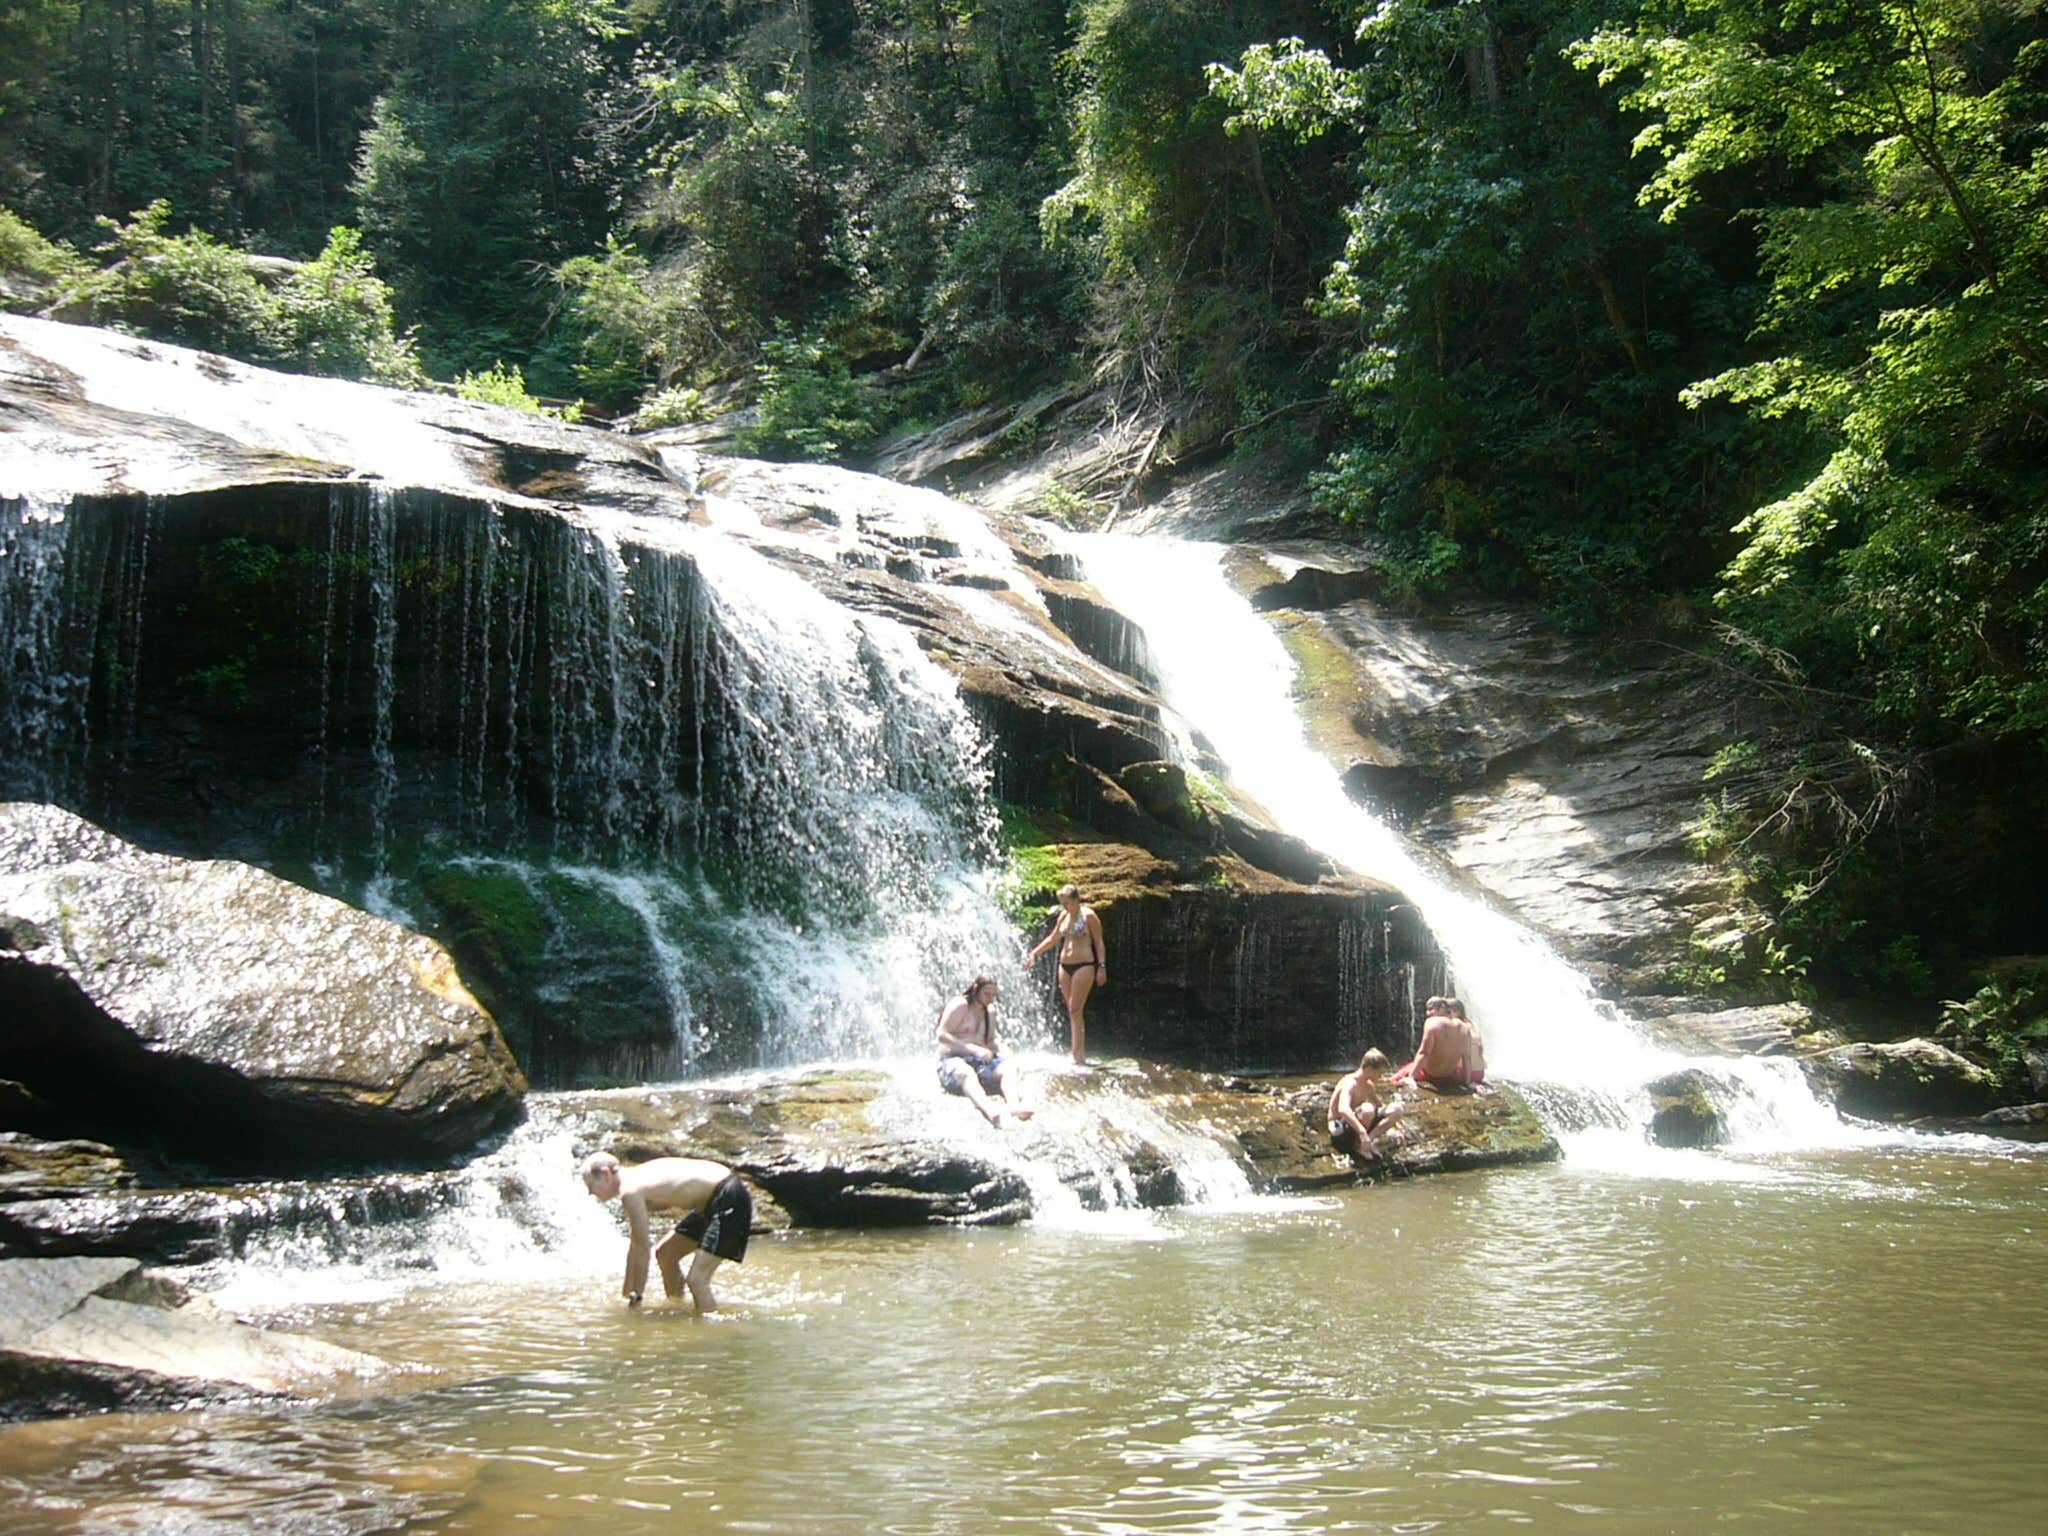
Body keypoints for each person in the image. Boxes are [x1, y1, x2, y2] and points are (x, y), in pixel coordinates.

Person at [580, 1151, 752, 1313]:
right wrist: (628, 1291)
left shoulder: (630, 1190)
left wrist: (636, 1298)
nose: (590, 1193)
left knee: (697, 1280)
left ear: (606, 1174)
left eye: (590, 1185)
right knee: (666, 1254)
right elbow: (635, 1245)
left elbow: (642, 1247)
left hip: (728, 1196)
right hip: (712, 1201)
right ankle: (678, 1307)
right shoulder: (634, 1179)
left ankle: (712, 1334)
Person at [936, 974, 1035, 1127]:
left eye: (993, 995)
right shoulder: (960, 1005)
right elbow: (941, 1035)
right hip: (952, 1059)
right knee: (965, 1072)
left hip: (980, 1063)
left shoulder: (990, 1011)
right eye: (987, 994)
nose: (990, 999)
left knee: (1010, 1068)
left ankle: (1013, 1105)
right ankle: (989, 1110)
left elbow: (990, 1041)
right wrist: (972, 1049)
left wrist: (1003, 1049)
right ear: (976, 989)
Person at [1024, 884, 1105, 1064]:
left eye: (1067, 903)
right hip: (1064, 966)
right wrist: (1034, 953)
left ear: (1076, 900)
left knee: (1076, 1009)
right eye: (1062, 903)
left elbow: (1099, 942)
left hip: (1084, 965)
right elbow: (1053, 939)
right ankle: (1076, 1051)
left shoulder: (1089, 916)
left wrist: (1102, 967)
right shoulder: (1064, 916)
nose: (1064, 906)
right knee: (1071, 1010)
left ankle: (1078, 1055)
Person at [1328, 1047, 1406, 1158]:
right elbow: (1343, 1109)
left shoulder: (1368, 1086)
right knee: (1367, 1109)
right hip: (1340, 1130)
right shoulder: (1349, 1083)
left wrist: (1396, 1126)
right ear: (1369, 1068)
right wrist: (1361, 1132)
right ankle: (1361, 1143)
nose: (1380, 1077)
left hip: (1357, 1127)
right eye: (1379, 1072)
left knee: (1397, 1109)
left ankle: (1367, 1143)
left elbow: (1380, 1106)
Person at [1393, 995, 1483, 1090]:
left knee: (1394, 1079)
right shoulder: (1465, 1027)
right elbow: (1467, 1058)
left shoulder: (1431, 1023)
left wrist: (1411, 1078)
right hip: (1449, 1076)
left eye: (1431, 1009)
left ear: (1442, 1008)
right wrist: (1468, 1082)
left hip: (1430, 1074)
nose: (1427, 1013)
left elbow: (1424, 1053)